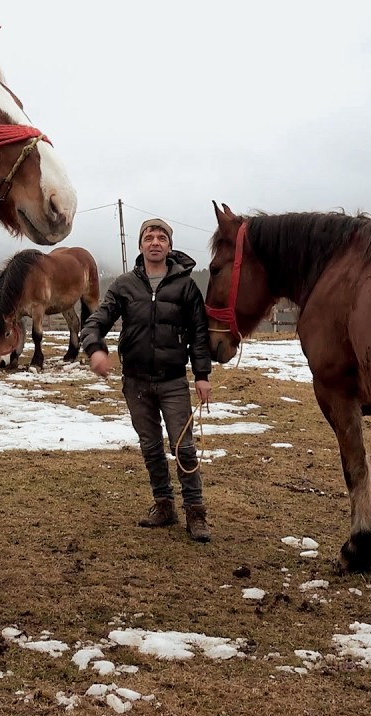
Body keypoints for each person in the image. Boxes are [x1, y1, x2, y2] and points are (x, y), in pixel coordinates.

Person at [80, 218, 214, 542]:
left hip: (173, 381)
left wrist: (202, 375)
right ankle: (164, 505)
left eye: (161, 238)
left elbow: (199, 333)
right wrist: (95, 348)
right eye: (149, 237)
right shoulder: (124, 285)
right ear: (141, 245)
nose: (155, 242)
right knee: (151, 446)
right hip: (136, 382)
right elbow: (97, 320)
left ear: (169, 246)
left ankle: (195, 512)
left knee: (183, 446)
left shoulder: (186, 286)